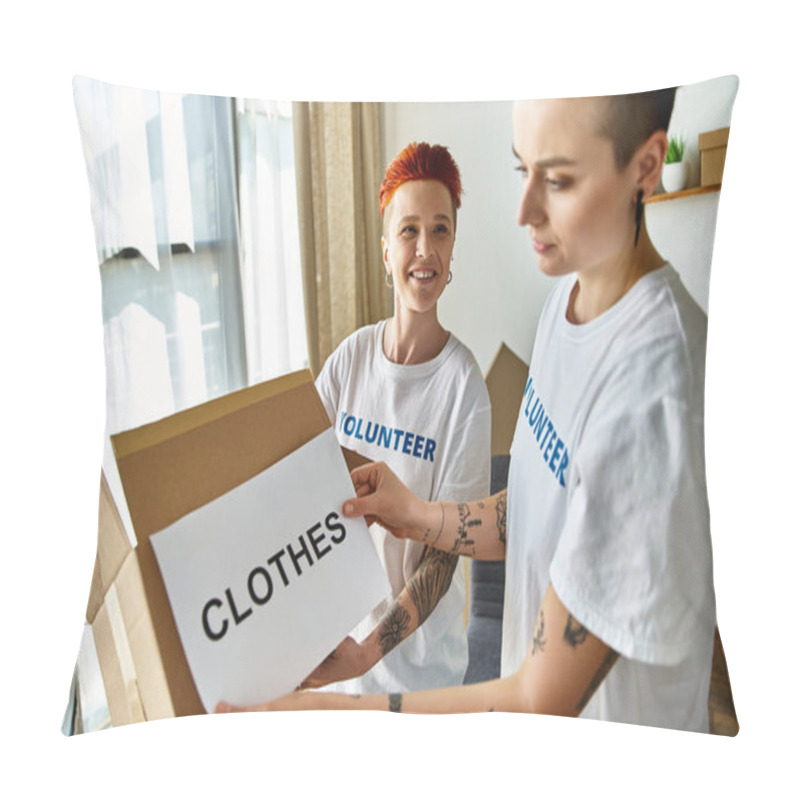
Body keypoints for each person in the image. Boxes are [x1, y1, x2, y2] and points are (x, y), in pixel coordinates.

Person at [217, 89, 717, 732]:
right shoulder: (566, 301)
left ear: (646, 168)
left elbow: (543, 696)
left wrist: (335, 709)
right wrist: (415, 512)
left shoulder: (655, 391)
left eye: (558, 179)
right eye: (522, 169)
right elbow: (538, 499)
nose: (523, 211)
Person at [299, 142, 491, 694]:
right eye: (409, 231)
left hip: (421, 676)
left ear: (453, 249)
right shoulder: (350, 360)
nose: (425, 249)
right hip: (336, 660)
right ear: (386, 251)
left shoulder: (464, 391)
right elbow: (300, 488)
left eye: (441, 230)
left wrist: (367, 654)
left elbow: (441, 563)